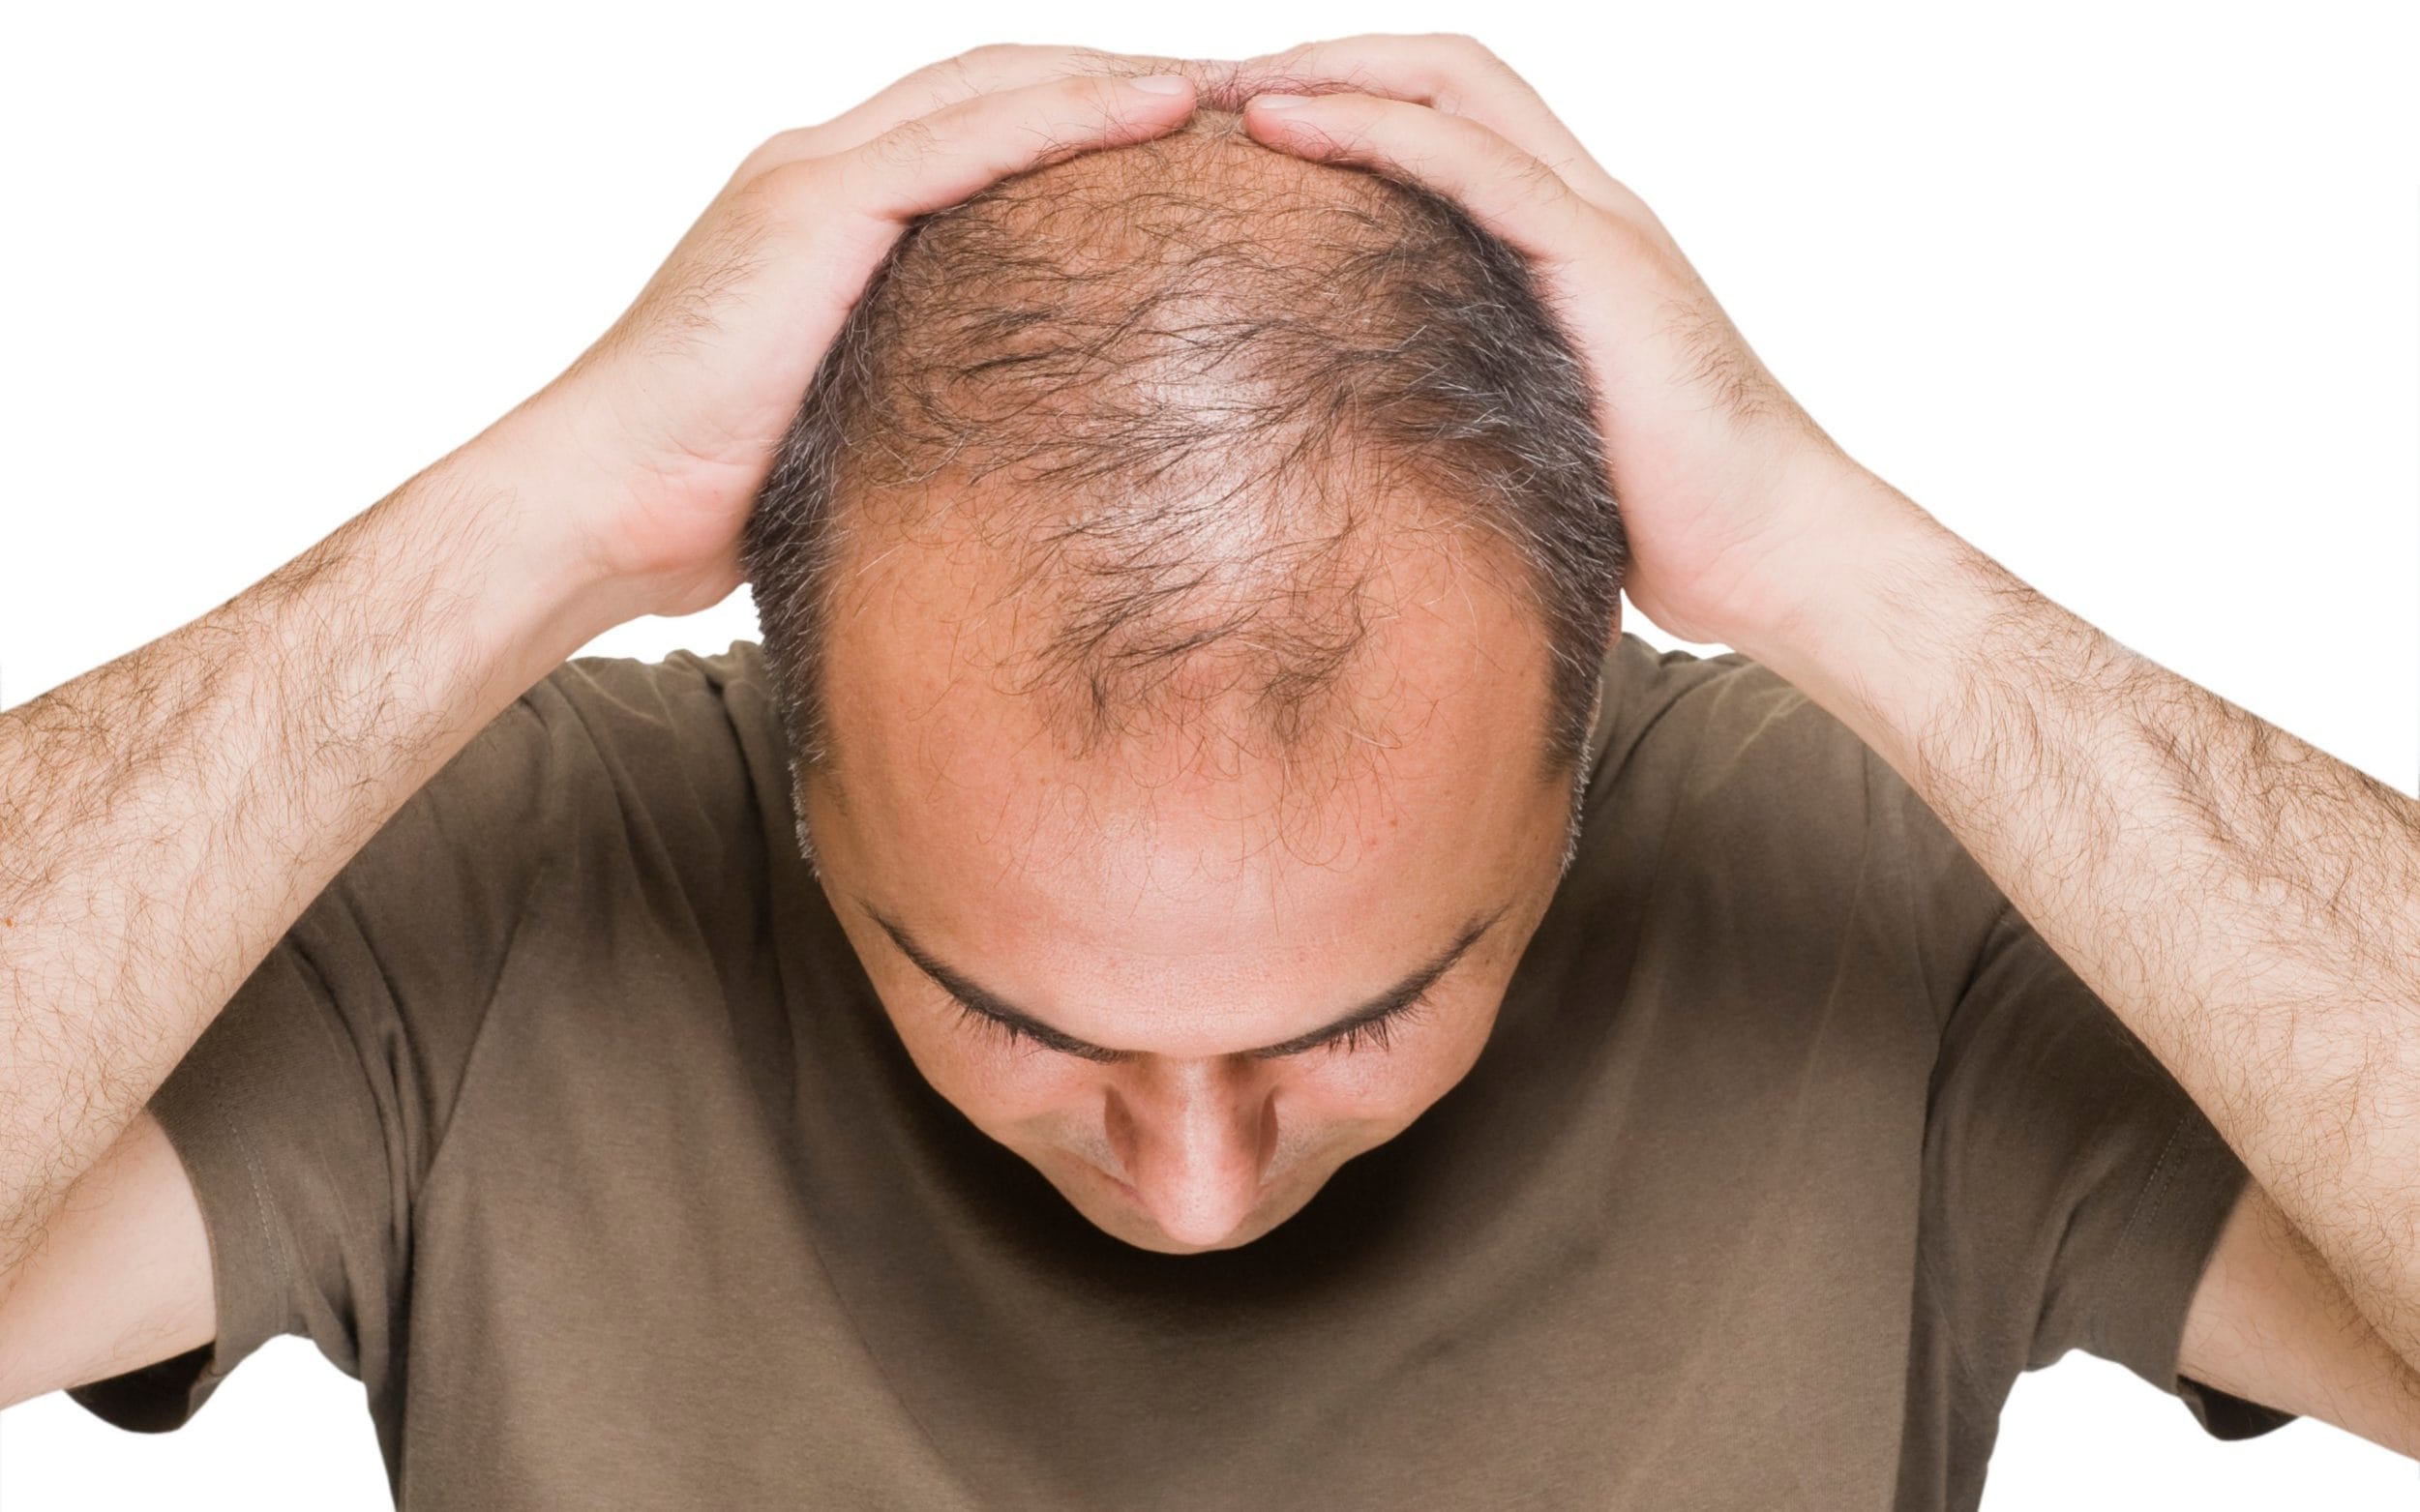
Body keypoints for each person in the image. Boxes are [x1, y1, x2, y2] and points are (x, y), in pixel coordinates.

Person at [0, 32, 2413, 1510]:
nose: (1183, 1186)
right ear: (797, 761)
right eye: (1023, 1017)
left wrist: (1833, 553)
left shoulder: (1862, 882)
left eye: (1357, 1013)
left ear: (1582, 755)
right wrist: (526, 514)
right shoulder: (523, 878)